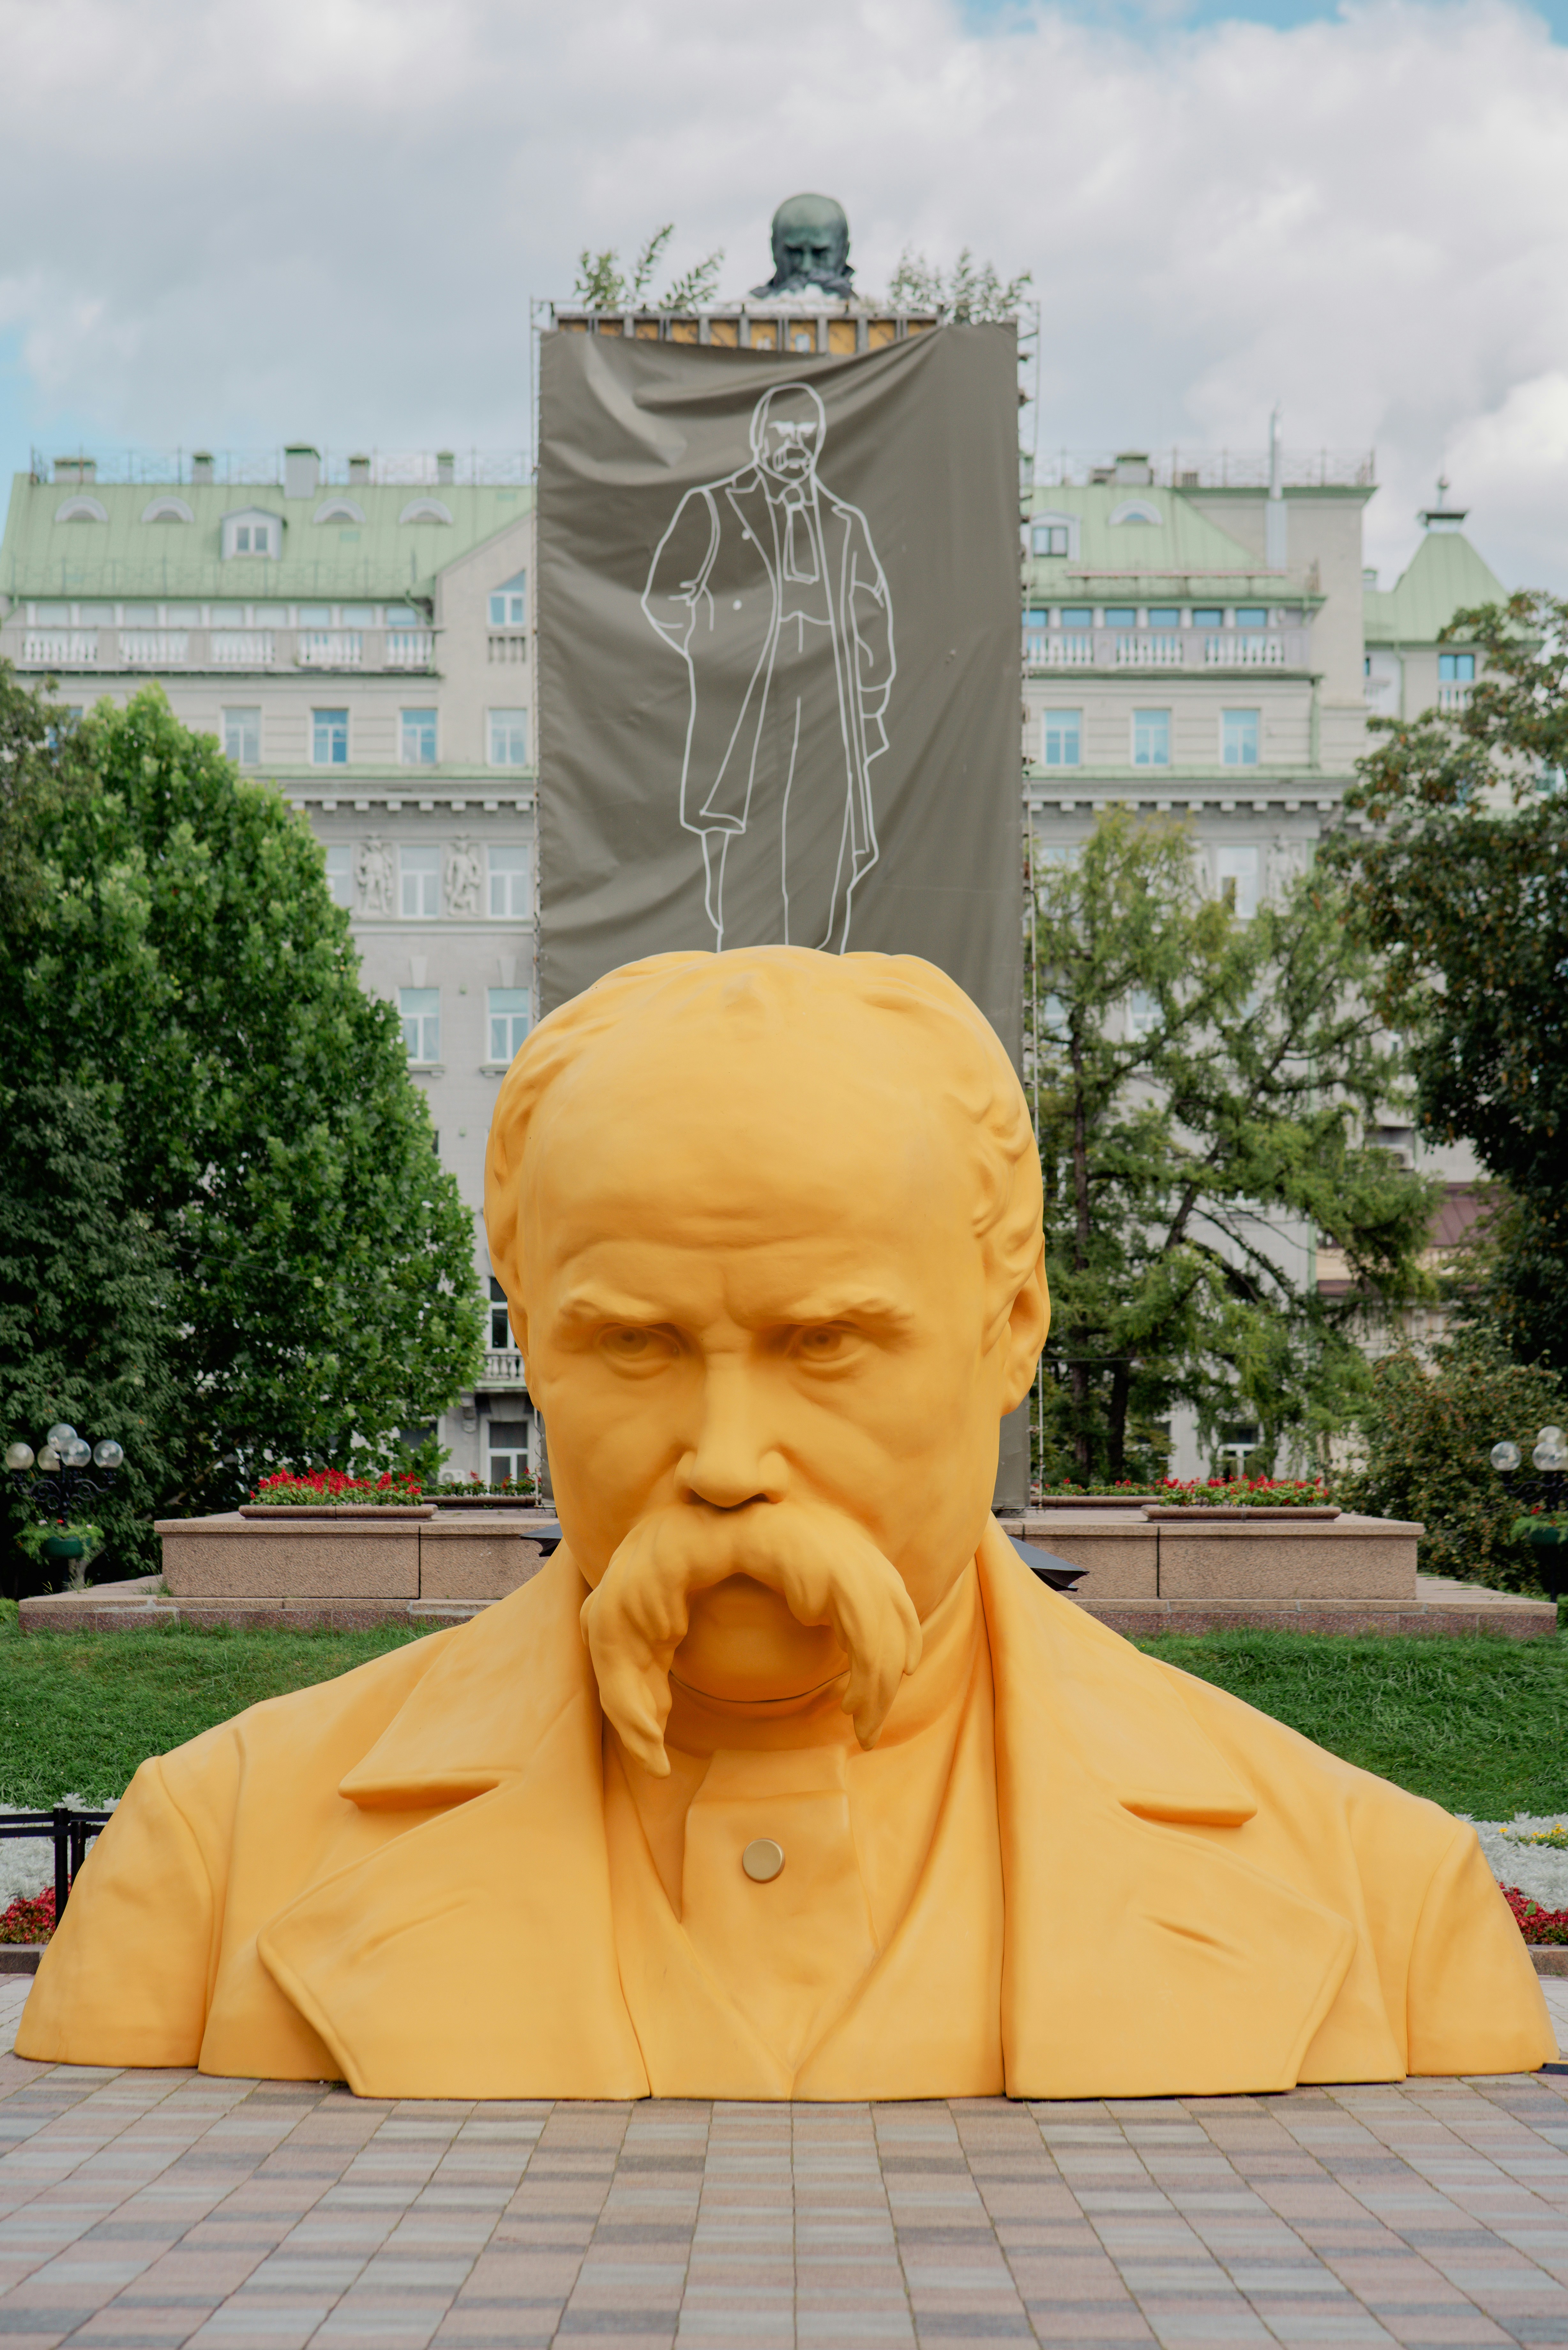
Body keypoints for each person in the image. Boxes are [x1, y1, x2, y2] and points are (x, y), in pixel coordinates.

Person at [19, 949, 1554, 2098]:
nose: (726, 1458)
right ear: (533, 1335)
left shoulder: (1381, 1902)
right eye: (632, 1343)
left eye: (826, 1340)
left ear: (1009, 1322)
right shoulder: (208, 1858)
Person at [641, 384, 894, 952]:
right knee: (745, 884)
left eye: (805, 435)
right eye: (781, 434)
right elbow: (665, 600)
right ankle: (746, 1013)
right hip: (746, 719)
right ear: (760, 438)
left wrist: (866, 706)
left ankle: (819, 1013)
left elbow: (873, 621)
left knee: (826, 875)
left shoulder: (844, 523)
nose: (793, 446)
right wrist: (728, 652)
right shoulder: (715, 506)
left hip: (826, 719)